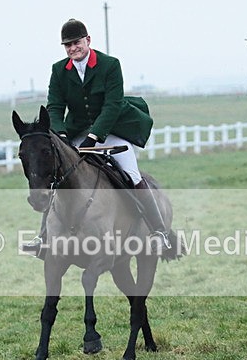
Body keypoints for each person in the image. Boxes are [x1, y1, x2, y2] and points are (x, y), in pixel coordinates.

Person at [22, 18, 171, 257]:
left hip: (112, 130)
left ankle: (159, 232)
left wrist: (94, 136)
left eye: (76, 43)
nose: (72, 48)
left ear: (87, 40)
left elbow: (112, 106)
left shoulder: (110, 65)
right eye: (67, 45)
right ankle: (44, 238)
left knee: (132, 174)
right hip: (78, 132)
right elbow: (55, 107)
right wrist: (60, 135)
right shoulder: (59, 70)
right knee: (59, 176)